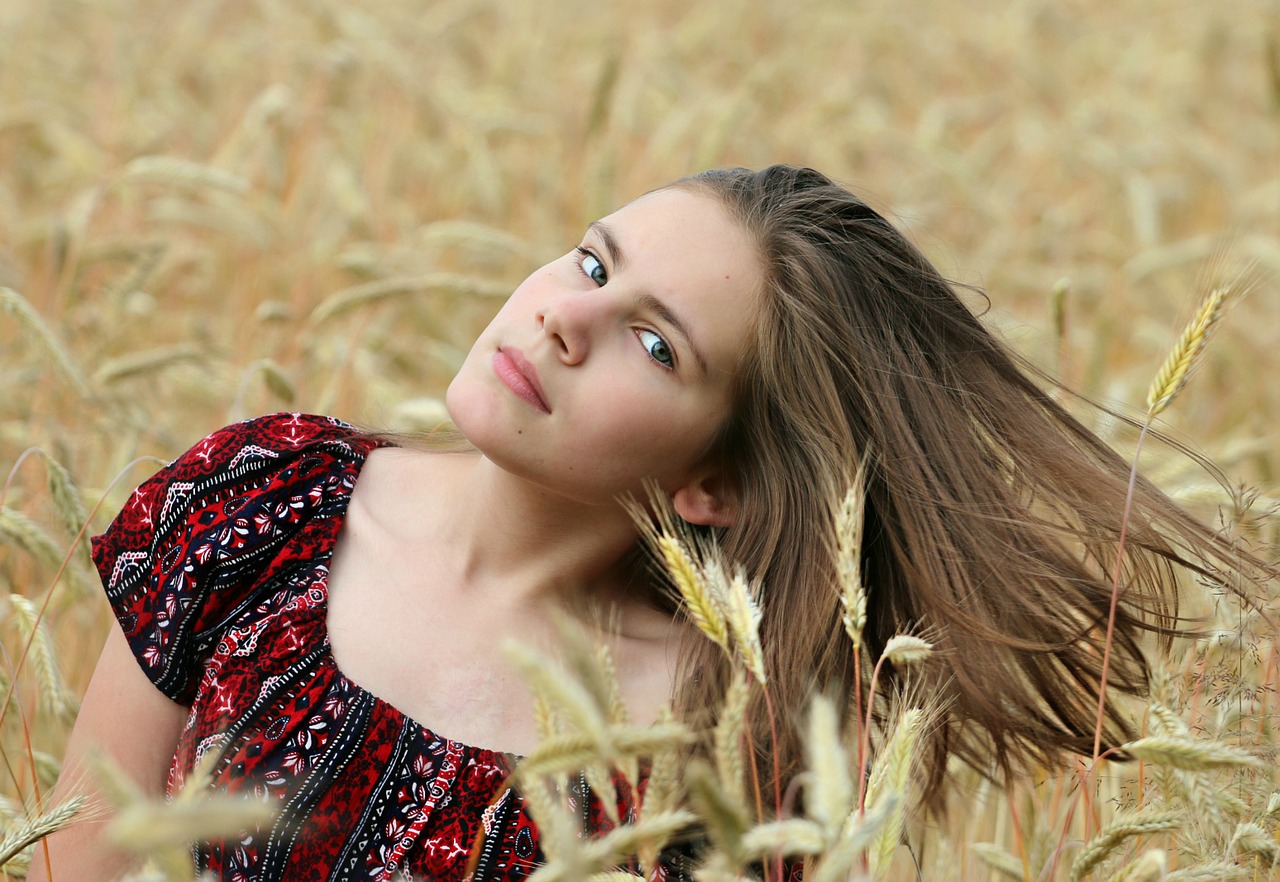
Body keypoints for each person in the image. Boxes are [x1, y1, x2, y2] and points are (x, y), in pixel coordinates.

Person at [32, 165, 1260, 881]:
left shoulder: (713, 761)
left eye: (656, 342)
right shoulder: (262, 504)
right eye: (588, 261)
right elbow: (72, 859)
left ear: (711, 487)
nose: (568, 316)